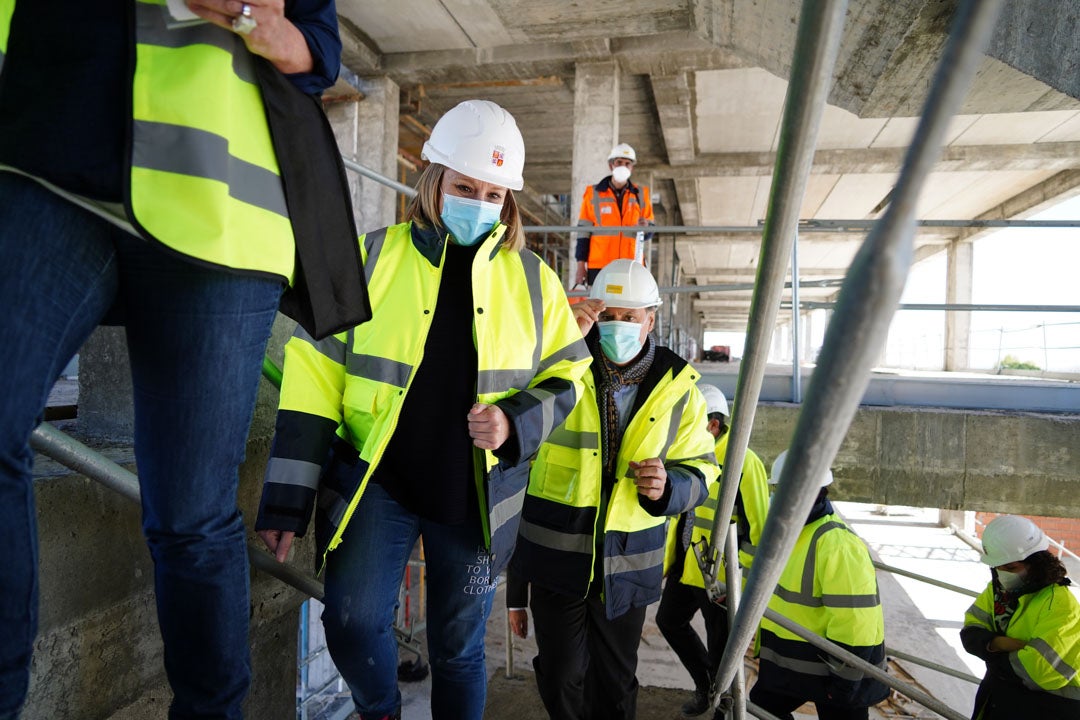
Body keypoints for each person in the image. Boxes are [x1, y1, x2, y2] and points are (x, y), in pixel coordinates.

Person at [0, 3, 345, 718]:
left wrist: (261, 21)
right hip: (48, 153)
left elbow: (320, 46)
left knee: (191, 516)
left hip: (217, 200)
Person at [255, 99, 591, 720]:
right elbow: (313, 379)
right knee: (352, 621)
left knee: (459, 650)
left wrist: (515, 421)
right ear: (433, 178)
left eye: (494, 193)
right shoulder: (371, 257)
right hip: (378, 482)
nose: (479, 203)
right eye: (466, 185)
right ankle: (379, 709)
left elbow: (570, 374)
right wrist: (285, 499)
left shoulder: (536, 281)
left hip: (476, 501)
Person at [507, 259, 719, 720]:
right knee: (561, 672)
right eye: (608, 316)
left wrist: (668, 489)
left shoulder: (680, 389)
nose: (618, 326)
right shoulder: (560, 365)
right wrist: (559, 336)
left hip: (629, 560)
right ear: (593, 315)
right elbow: (513, 402)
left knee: (616, 679)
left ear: (651, 318)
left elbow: (703, 469)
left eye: (629, 316)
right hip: (556, 553)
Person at [749, 451, 889, 720]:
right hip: (793, 663)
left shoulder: (837, 544)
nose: (781, 497)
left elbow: (856, 627)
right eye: (780, 489)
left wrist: (844, 686)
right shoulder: (788, 534)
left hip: (836, 672)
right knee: (761, 708)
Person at [656, 384, 769, 716]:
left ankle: (722, 707)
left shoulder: (743, 463)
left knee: (722, 647)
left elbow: (758, 531)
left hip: (721, 578)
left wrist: (741, 579)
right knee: (669, 621)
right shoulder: (686, 456)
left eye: (691, 422)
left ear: (713, 426)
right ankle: (707, 687)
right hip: (689, 567)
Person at [960, 515, 1080, 718]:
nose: (1003, 574)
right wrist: (1003, 644)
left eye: (1011, 568)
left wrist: (991, 649)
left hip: (1048, 709)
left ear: (1037, 563)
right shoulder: (998, 590)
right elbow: (970, 633)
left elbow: (1040, 671)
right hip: (998, 699)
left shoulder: (1060, 604)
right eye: (998, 567)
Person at [573, 143, 656, 288]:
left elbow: (650, 233)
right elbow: (583, 233)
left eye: (627, 163)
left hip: (630, 264)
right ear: (611, 165)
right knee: (600, 308)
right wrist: (581, 266)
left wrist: (646, 227)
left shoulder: (641, 194)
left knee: (626, 307)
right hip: (599, 264)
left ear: (632, 167)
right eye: (619, 162)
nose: (623, 166)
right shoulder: (593, 193)